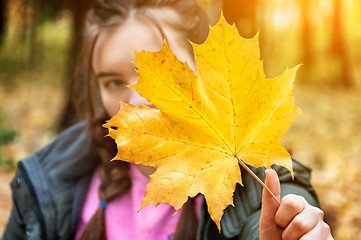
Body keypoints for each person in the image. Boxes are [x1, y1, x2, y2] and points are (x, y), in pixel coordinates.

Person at [3, 0, 333, 239]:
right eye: (113, 82)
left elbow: (271, 216)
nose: (135, 101)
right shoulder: (44, 179)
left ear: (205, 69)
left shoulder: (259, 180)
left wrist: (292, 229)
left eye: (161, 73)